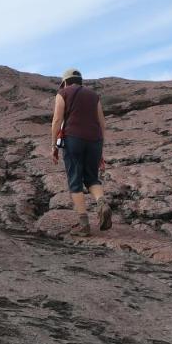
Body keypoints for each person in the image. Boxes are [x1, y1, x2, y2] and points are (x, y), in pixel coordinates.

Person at [50, 67, 110, 235]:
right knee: (92, 178)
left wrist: (53, 145)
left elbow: (57, 120)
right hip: (95, 140)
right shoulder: (94, 96)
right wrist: (100, 150)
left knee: (75, 180)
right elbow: (102, 123)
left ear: (66, 82)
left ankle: (84, 225)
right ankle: (102, 203)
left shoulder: (63, 94)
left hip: (73, 139)